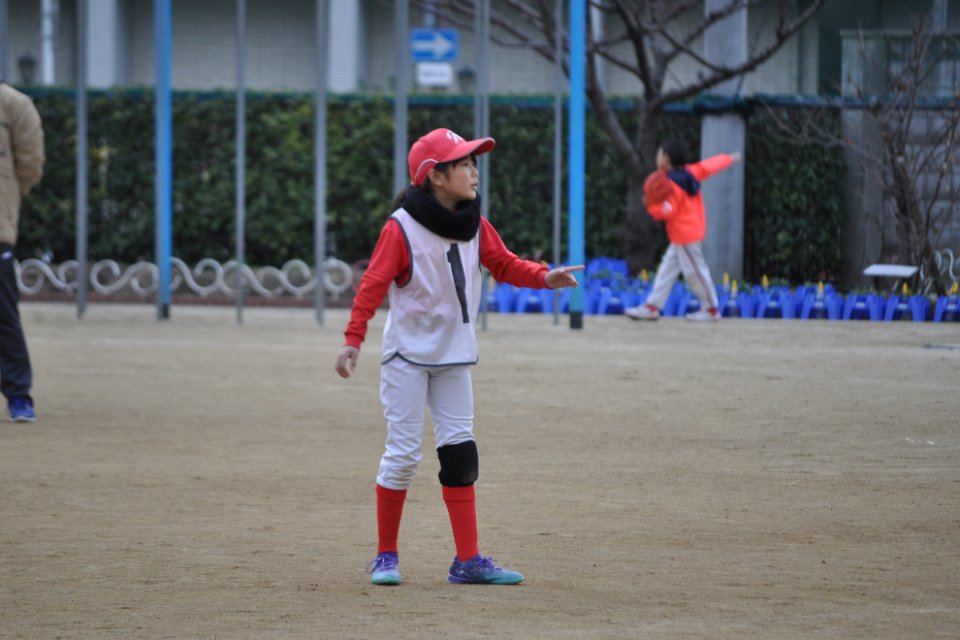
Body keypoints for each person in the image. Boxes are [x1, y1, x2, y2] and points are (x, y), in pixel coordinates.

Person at [335, 127, 583, 586]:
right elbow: (373, 284)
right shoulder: (401, 227)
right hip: (406, 357)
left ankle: (467, 561)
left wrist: (544, 277)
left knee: (461, 453)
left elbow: (504, 263)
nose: (473, 171)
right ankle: (386, 556)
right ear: (435, 176)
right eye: (463, 163)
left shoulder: (473, 222)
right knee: (403, 456)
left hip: (453, 356)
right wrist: (354, 338)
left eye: (473, 162)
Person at [625, 140, 740, 322]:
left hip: (685, 235)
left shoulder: (670, 184)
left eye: (660, 153)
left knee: (695, 272)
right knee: (667, 270)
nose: (657, 157)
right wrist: (728, 158)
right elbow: (709, 166)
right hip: (685, 234)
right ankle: (652, 306)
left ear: (666, 158)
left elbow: (667, 211)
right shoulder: (691, 171)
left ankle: (711, 309)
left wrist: (651, 207)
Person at [0, 78, 45, 422]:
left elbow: (30, 164)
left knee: (3, 315)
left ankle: (18, 394)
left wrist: (10, 201)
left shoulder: (13, 104)